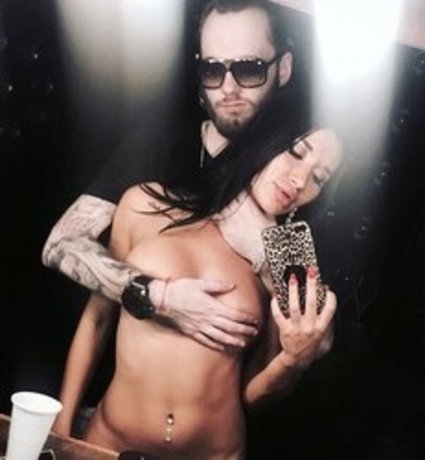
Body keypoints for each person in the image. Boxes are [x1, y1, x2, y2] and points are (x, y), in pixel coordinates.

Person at [52, 92, 345, 459]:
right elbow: (97, 321)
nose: (300, 180)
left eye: (319, 177)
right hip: (110, 440)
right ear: (263, 138)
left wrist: (293, 362)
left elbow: (255, 397)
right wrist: (62, 428)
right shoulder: (145, 204)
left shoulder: (285, 259)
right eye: (296, 152)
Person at [41, 0, 297, 350]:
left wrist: (265, 246)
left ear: (283, 68)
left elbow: (311, 326)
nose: (228, 88)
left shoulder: (296, 168)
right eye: (212, 70)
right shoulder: (159, 143)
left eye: (249, 69)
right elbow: (60, 243)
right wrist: (159, 297)